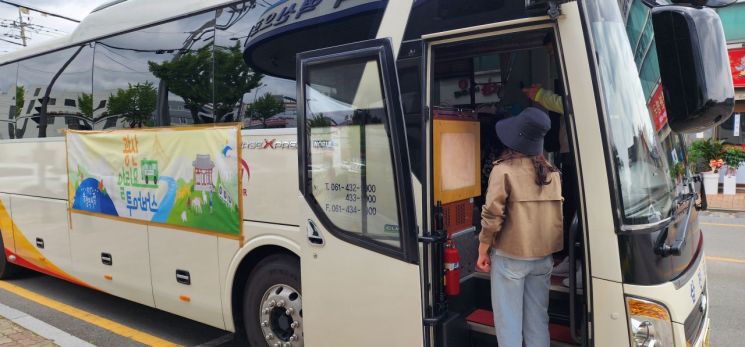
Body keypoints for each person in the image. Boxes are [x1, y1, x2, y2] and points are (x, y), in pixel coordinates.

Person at [476, 107, 563, 347]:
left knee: (509, 324)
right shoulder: (553, 173)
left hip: (510, 257)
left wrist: (483, 250)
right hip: (543, 259)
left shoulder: (502, 170)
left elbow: (492, 215)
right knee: (537, 321)